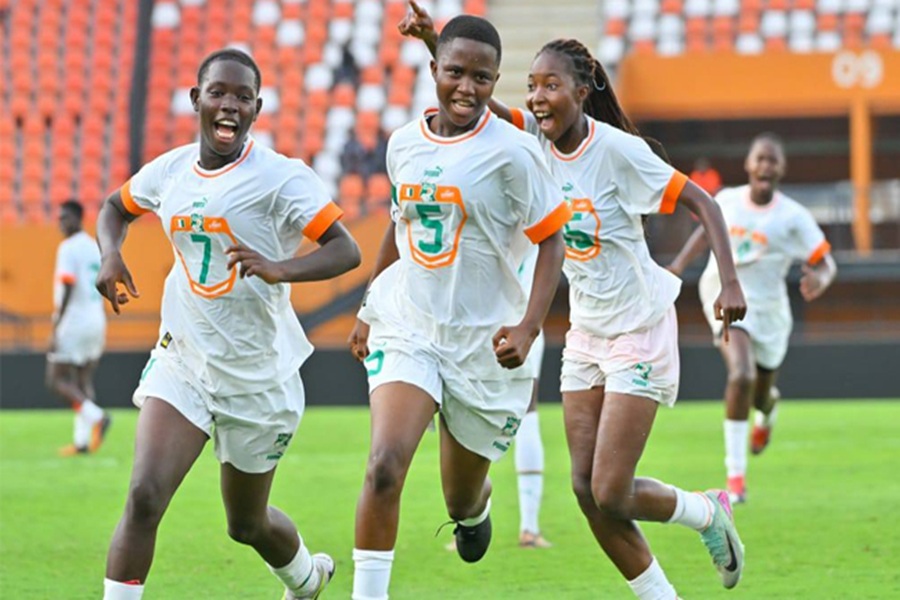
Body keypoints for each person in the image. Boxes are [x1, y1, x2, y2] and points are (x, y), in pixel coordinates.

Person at [400, 2, 748, 596]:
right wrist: (436, 42)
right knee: (586, 493)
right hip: (585, 332)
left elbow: (705, 204)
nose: (536, 98)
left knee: (612, 488)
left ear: (583, 91)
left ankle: (707, 512)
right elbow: (476, 100)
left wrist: (730, 280)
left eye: (550, 85)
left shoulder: (617, 151)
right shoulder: (532, 141)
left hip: (638, 323)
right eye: (532, 86)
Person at [94, 48, 361, 600]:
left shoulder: (282, 178)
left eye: (243, 97)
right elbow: (114, 208)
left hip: (258, 378)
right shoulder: (169, 171)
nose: (229, 105)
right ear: (197, 99)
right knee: (144, 495)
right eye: (218, 92)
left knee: (246, 525)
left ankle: (307, 580)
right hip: (184, 360)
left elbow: (346, 250)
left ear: (257, 109)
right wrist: (108, 255)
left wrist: (279, 267)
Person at [347, 15, 570, 600]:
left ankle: (474, 512)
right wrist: (369, 307)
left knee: (460, 499)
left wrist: (528, 326)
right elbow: (400, 228)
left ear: (496, 81)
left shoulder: (516, 153)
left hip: (484, 346)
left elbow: (554, 239)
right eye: (454, 73)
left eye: (481, 78)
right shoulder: (402, 144)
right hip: (411, 328)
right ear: (433, 72)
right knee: (384, 465)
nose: (466, 88)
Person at [668, 133, 837, 504]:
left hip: (770, 310)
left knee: (760, 393)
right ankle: (736, 478)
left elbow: (826, 262)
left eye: (772, 160)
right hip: (725, 294)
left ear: (781, 169)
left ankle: (768, 410)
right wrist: (678, 266)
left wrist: (819, 279)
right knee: (740, 374)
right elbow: (705, 233)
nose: (765, 166)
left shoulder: (793, 216)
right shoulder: (727, 201)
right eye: (759, 159)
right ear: (748, 165)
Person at [46, 199, 111, 456]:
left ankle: (97, 417)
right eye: (59, 218)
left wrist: (56, 327)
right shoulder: (94, 245)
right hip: (96, 318)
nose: (61, 223)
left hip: (74, 321)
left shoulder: (68, 248)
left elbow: (68, 286)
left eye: (65, 218)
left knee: (56, 379)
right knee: (82, 380)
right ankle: (82, 442)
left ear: (77, 218)